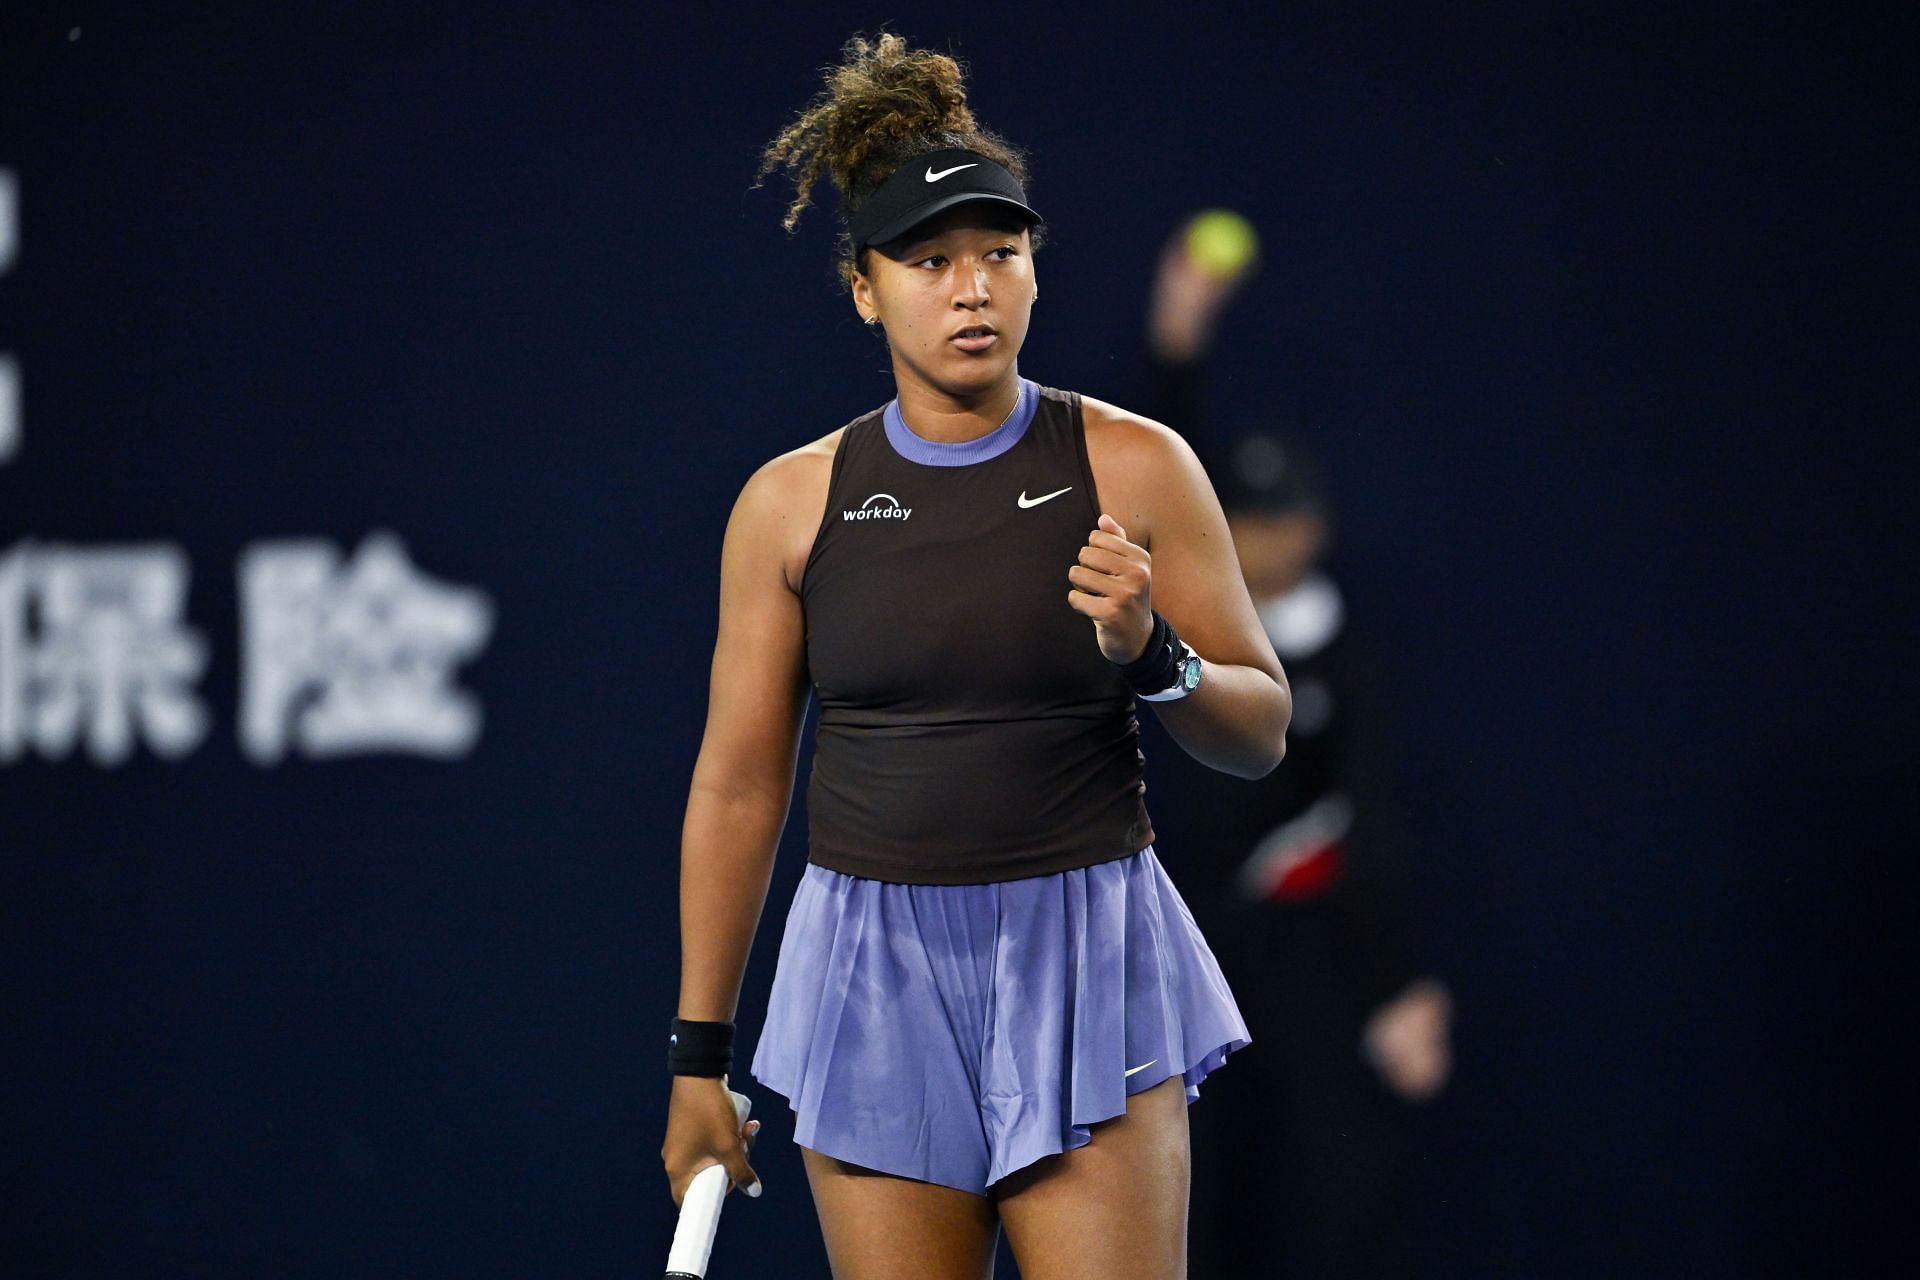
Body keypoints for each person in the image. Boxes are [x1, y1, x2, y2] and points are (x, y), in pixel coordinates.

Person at [659, 34, 1292, 1280]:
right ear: (864, 288)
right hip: (871, 975)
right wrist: (697, 1056)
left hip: (1086, 954)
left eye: (1001, 255)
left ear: (1034, 272)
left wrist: (1151, 651)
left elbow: (1259, 726)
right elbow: (738, 784)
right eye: (931, 261)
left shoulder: (1136, 463)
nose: (973, 289)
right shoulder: (790, 506)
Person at [1139, 219, 1453, 1279]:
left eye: (1290, 518)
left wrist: (1401, 980)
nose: (1276, 539)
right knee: (1199, 1198)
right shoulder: (1189, 612)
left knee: (1342, 1194)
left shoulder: (1344, 651)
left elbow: (1376, 812)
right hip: (1193, 952)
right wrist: (1179, 335)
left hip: (1317, 956)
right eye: (1251, 519)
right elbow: (1154, 459)